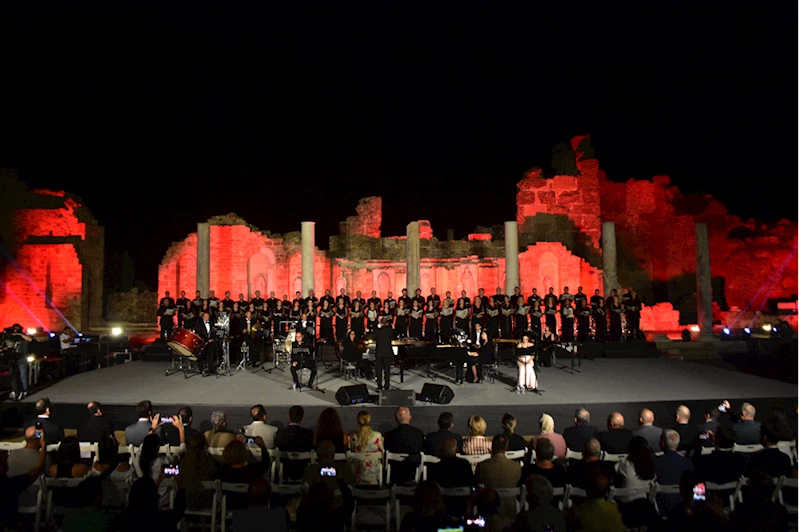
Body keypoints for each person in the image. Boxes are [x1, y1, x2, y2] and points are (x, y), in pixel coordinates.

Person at [0, 432, 46, 531]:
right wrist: (43, 447)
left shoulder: (9, 482)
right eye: (4, 458)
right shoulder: (9, 484)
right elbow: (37, 470)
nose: (7, 458)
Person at [475, 434, 521, 520]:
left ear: (492, 447)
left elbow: (476, 484)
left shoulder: (482, 466)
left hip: (489, 511)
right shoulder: (516, 467)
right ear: (507, 447)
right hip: (510, 510)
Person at [384, 407, 425, 485]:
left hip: (394, 474)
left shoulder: (389, 435)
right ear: (410, 417)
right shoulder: (419, 434)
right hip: (412, 473)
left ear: (395, 419)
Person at [348, 410, 383, 485]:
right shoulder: (377, 436)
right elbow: (382, 453)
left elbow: (352, 455)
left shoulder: (354, 438)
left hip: (358, 476)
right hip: (374, 476)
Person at [5, 324, 32, 401]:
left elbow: (30, 339)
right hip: (12, 359)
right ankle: (15, 390)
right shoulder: (11, 338)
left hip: (22, 359)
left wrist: (19, 334)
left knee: (22, 375)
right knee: (13, 376)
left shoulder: (22, 337)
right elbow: (8, 346)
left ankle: (24, 391)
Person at [374, 317, 396, 391]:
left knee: (379, 371)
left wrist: (377, 327)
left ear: (381, 323)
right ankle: (387, 386)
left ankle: (379, 386)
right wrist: (392, 328)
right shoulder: (390, 331)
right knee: (387, 371)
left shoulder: (378, 331)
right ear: (387, 323)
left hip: (379, 353)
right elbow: (395, 334)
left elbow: (373, 336)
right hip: (388, 353)